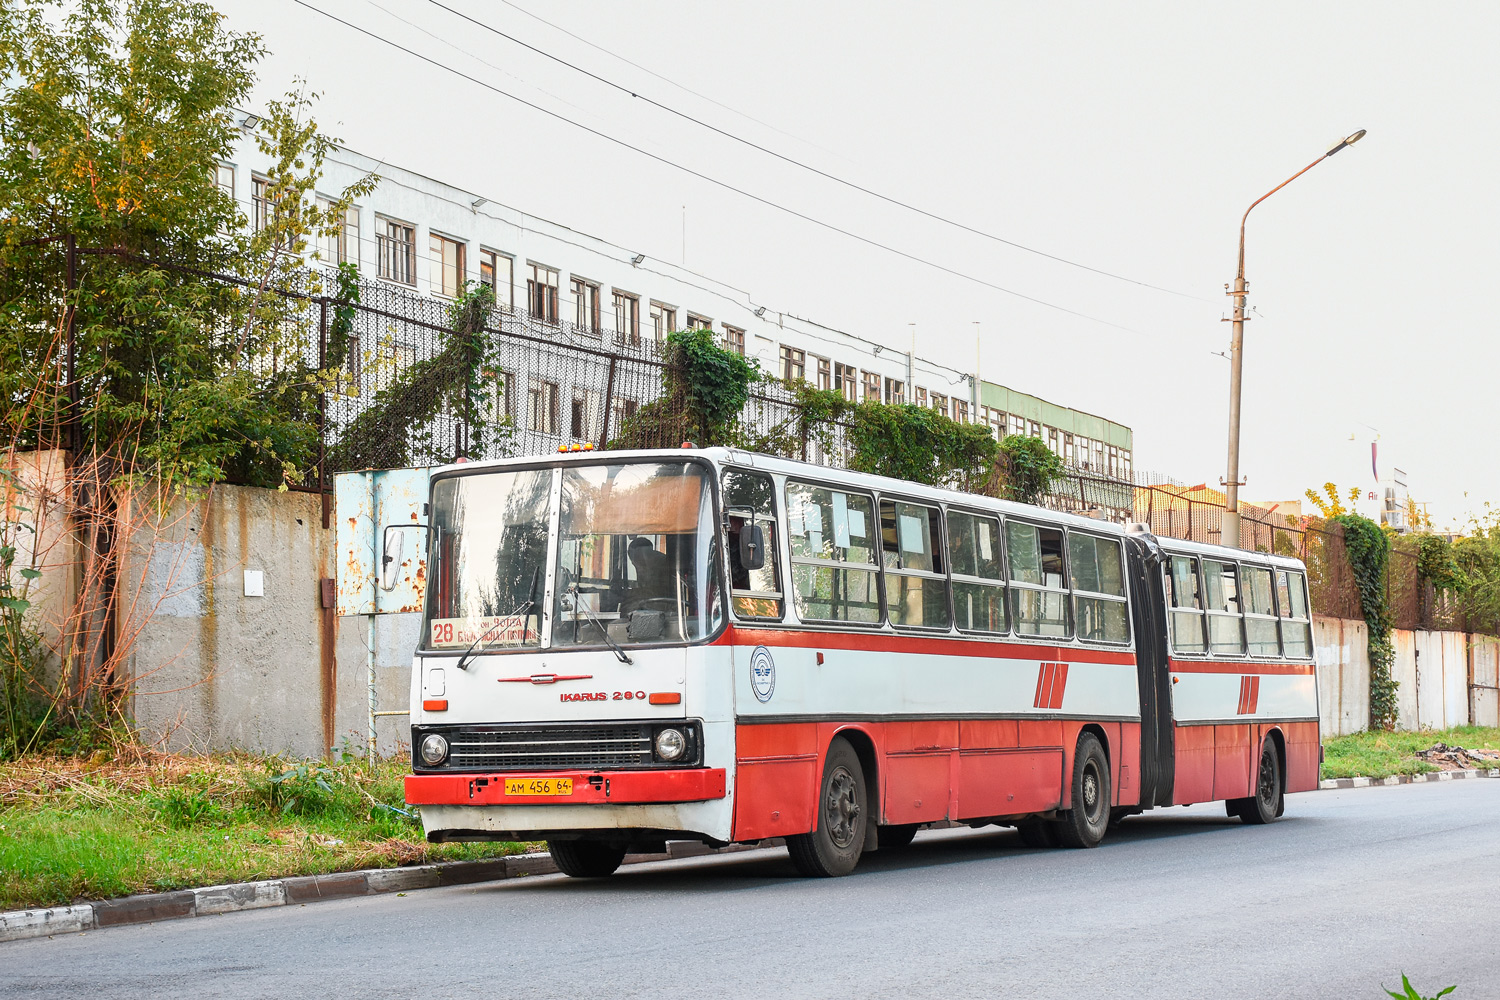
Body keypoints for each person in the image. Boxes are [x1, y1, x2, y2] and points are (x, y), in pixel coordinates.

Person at [625, 537, 674, 609]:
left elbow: (659, 592)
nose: (637, 565)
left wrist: (629, 594)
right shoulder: (642, 565)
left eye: (639, 558)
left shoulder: (663, 565)